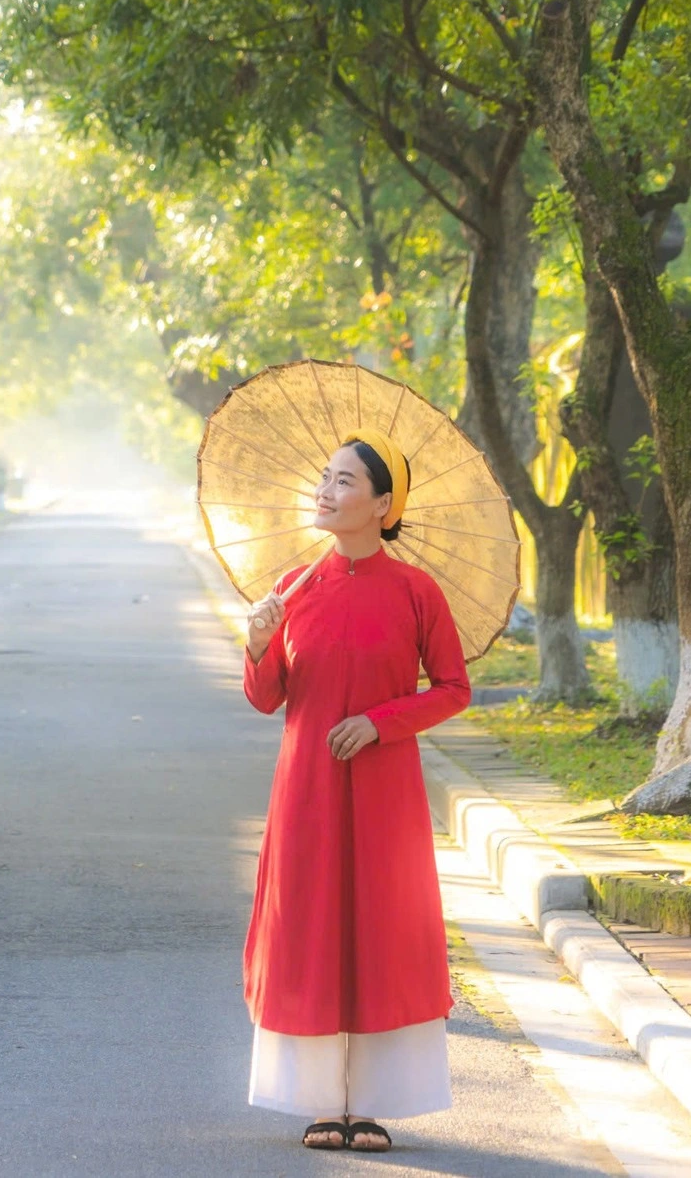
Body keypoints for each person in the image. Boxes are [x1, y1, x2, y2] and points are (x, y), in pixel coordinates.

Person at [240, 428, 471, 1153]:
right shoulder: (292, 587)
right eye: (325, 477)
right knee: (312, 925)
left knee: (381, 926)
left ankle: (371, 1101)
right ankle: (317, 1100)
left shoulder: (415, 591)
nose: (325, 490)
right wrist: (255, 643)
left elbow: (455, 689)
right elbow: (266, 697)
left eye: (344, 481)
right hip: (306, 786)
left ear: (382, 504)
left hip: (383, 789)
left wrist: (380, 723)